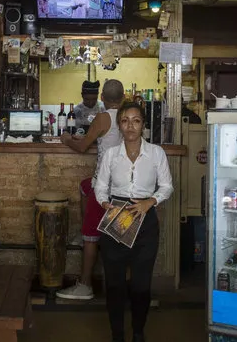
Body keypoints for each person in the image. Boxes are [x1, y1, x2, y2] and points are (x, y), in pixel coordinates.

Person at [94, 102, 174, 342]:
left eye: (136, 120)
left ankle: (138, 332)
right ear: (119, 125)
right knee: (115, 285)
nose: (130, 125)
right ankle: (117, 334)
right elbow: (99, 186)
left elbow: (167, 186)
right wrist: (104, 203)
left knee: (141, 285)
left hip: (145, 219)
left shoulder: (156, 153)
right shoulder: (110, 155)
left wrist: (150, 202)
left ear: (143, 125)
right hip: (116, 218)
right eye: (125, 120)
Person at [55, 79, 125, 301]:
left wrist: (67, 139)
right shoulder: (130, 117)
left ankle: (85, 285)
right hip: (124, 186)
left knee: (90, 236)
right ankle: (123, 285)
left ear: (102, 98)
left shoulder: (103, 117)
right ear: (123, 98)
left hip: (104, 186)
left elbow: (83, 146)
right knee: (85, 187)